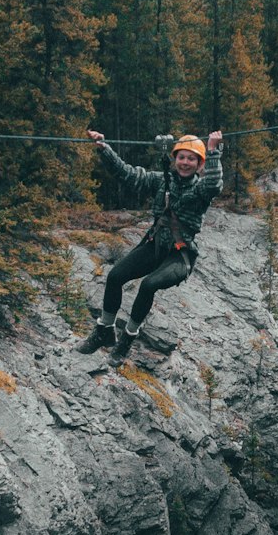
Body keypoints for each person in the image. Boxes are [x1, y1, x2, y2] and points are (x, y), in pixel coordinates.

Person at [77, 128, 224, 362]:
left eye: (191, 159)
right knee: (115, 276)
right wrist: (104, 149)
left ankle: (127, 340)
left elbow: (214, 185)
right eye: (181, 157)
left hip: (179, 255)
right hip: (155, 246)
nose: (185, 163)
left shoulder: (200, 189)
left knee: (148, 285)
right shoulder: (160, 180)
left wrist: (213, 151)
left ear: (199, 164)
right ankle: (104, 330)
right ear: (175, 159)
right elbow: (127, 174)